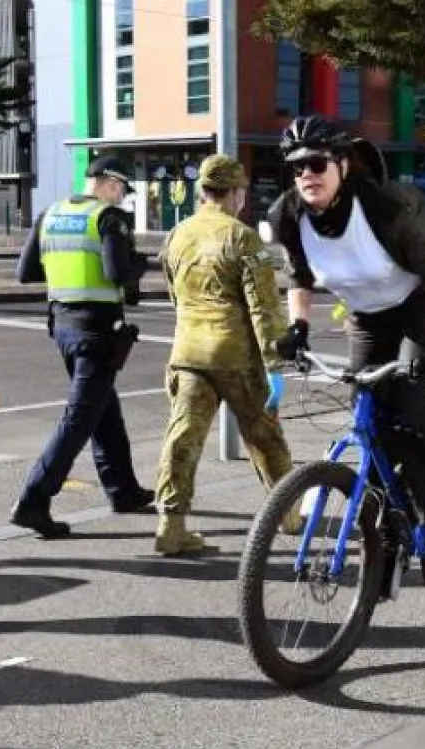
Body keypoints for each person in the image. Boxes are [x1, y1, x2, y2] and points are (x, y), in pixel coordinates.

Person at [267, 114, 425, 523]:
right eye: (297, 167)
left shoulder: (390, 207)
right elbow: (298, 274)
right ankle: (408, 493)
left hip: (416, 305)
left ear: (343, 164)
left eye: (316, 164)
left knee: (411, 406)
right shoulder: (289, 216)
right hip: (367, 317)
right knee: (368, 413)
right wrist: (297, 327)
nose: (306, 174)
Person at [153, 154, 298, 554]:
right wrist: (275, 362)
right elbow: (264, 306)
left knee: (182, 438)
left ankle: (171, 524)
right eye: (242, 193)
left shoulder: (177, 234)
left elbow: (174, 294)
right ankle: (288, 516)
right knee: (266, 437)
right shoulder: (244, 237)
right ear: (235, 192)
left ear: (202, 191)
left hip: (188, 352)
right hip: (234, 356)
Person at [10, 155, 155, 538]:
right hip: (98, 329)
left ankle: (124, 490)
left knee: (103, 409)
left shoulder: (51, 214)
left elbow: (25, 273)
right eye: (121, 189)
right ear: (108, 183)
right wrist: (142, 264)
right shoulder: (108, 218)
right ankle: (33, 501)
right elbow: (117, 274)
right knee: (79, 417)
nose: (122, 196)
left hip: (63, 326)